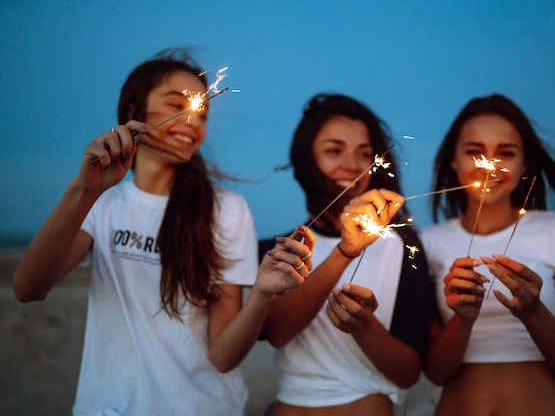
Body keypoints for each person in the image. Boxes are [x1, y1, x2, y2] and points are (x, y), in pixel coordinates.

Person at [12, 48, 315, 416]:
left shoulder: (224, 209)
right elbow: (28, 289)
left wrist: (262, 294)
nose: (193, 122)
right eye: (178, 105)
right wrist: (85, 189)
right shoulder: (101, 204)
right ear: (132, 113)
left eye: (201, 114)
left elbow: (223, 357)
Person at [420, 94, 555, 415]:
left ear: (524, 163)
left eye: (506, 153)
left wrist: (532, 312)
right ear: (453, 160)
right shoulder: (429, 242)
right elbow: (434, 372)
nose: (490, 165)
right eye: (475, 151)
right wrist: (463, 319)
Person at [260, 93, 436, 416]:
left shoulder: (401, 246)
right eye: (334, 150)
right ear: (305, 159)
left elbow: (409, 372)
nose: (353, 165)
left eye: (364, 153)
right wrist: (344, 252)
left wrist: (364, 326)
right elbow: (275, 332)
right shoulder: (276, 249)